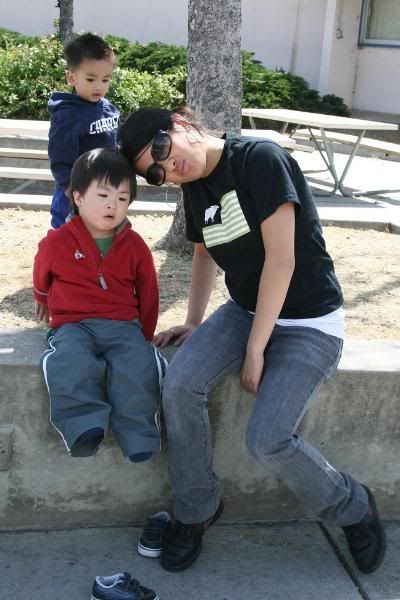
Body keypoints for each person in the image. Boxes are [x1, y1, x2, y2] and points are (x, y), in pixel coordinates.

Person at [118, 106, 386, 573]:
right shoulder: (194, 186)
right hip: (246, 310)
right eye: (156, 173)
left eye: (161, 149)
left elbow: (282, 262)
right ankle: (197, 508)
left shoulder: (259, 159)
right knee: (179, 384)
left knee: (268, 439)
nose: (168, 167)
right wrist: (195, 321)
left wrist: (256, 349)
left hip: (309, 321)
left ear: (180, 123)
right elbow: (204, 253)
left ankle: (353, 507)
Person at [33, 148, 166, 462]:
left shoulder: (135, 246)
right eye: (104, 195)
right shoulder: (58, 242)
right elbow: (42, 272)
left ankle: (138, 435)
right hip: (73, 325)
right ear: (78, 197)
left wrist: (144, 335)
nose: (112, 205)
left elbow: (148, 291)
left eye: (122, 198)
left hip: (122, 325)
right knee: (69, 361)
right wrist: (41, 297)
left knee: (138, 367)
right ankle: (83, 426)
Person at [48, 32, 119, 229]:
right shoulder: (67, 115)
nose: (99, 86)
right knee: (68, 236)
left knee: (99, 235)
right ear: (72, 78)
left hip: (105, 189)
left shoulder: (109, 109)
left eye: (105, 80)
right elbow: (60, 158)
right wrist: (72, 192)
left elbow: (117, 144)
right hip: (74, 194)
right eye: (91, 79)